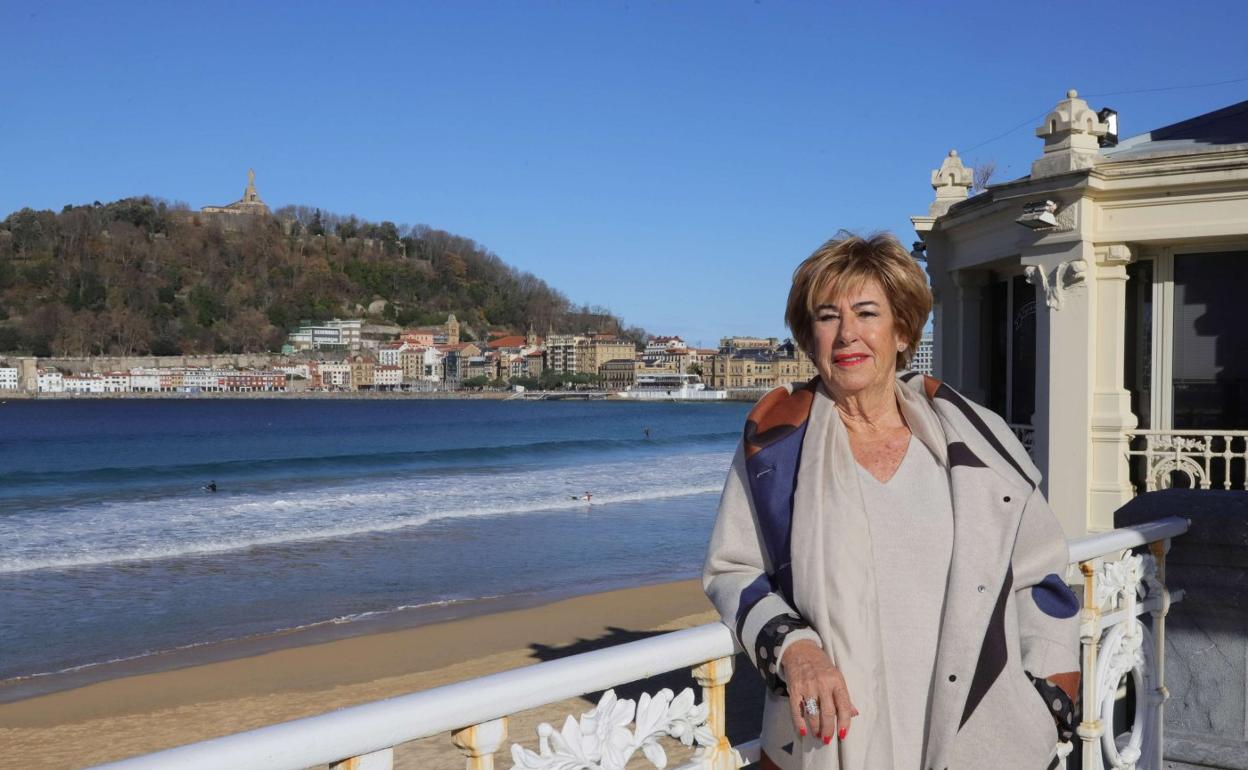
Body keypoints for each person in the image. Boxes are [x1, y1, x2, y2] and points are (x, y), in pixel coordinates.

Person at [703, 233, 1080, 770]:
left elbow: (1041, 572)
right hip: (838, 738)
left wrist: (1049, 698)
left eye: (866, 313)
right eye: (827, 316)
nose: (847, 334)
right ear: (809, 338)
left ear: (902, 330)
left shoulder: (977, 437)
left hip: (985, 737)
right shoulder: (776, 448)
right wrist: (794, 648)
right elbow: (732, 570)